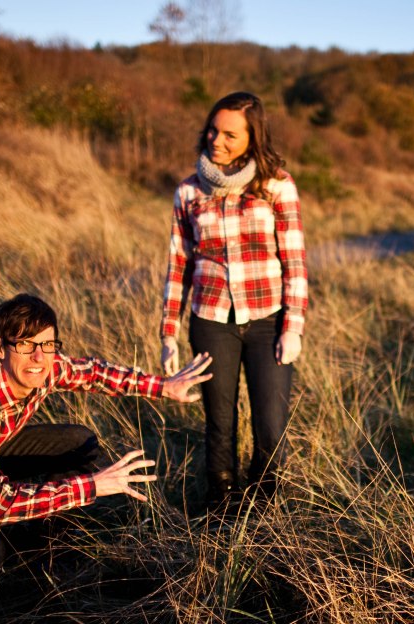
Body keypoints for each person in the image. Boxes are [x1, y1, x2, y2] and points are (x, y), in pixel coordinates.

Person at [0, 293, 212, 616]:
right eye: (25, 344)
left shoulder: (46, 366)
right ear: (0, 348)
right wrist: (91, 486)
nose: (39, 357)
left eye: (48, 345)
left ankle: (43, 552)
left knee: (78, 443)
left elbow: (95, 373)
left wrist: (164, 387)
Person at [159, 91, 308, 508]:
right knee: (219, 423)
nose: (217, 140)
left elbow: (294, 261)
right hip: (211, 320)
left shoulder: (277, 185)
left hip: (268, 321)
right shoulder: (189, 192)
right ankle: (222, 505)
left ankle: (265, 503)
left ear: (252, 138)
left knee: (271, 425)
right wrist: (168, 334)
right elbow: (178, 265)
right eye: (213, 130)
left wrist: (293, 327)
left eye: (230, 135)